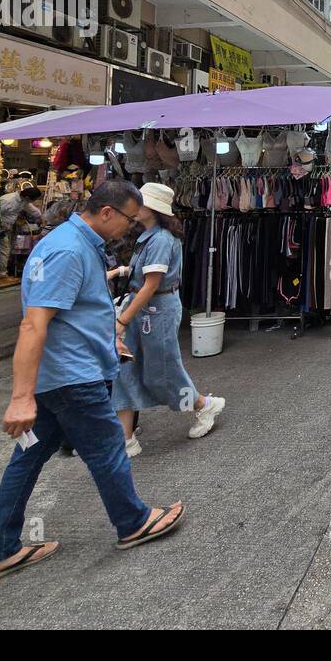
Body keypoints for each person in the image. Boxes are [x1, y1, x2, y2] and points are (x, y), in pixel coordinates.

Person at [0, 180, 184, 590]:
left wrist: (109, 335)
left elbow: (76, 308)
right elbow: (34, 323)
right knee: (107, 451)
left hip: (62, 380)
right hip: (72, 379)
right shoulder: (67, 249)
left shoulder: (74, 244)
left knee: (27, 459)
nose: (130, 229)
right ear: (107, 213)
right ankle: (134, 521)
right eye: (128, 220)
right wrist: (20, 398)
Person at [112, 183, 225, 457]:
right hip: (143, 307)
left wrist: (123, 320)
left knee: (162, 369)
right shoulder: (150, 236)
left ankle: (202, 404)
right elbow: (145, 276)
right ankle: (125, 437)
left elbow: (152, 285)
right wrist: (121, 271)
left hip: (156, 309)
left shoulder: (161, 239)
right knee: (125, 368)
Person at [0, 184, 43, 283]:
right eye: (32, 200)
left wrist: (42, 218)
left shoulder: (23, 201)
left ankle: (2, 272)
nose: (32, 202)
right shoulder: (8, 200)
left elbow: (34, 211)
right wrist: (0, 226)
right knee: (5, 250)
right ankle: (1, 275)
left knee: (7, 250)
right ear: (27, 197)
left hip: (9, 228)